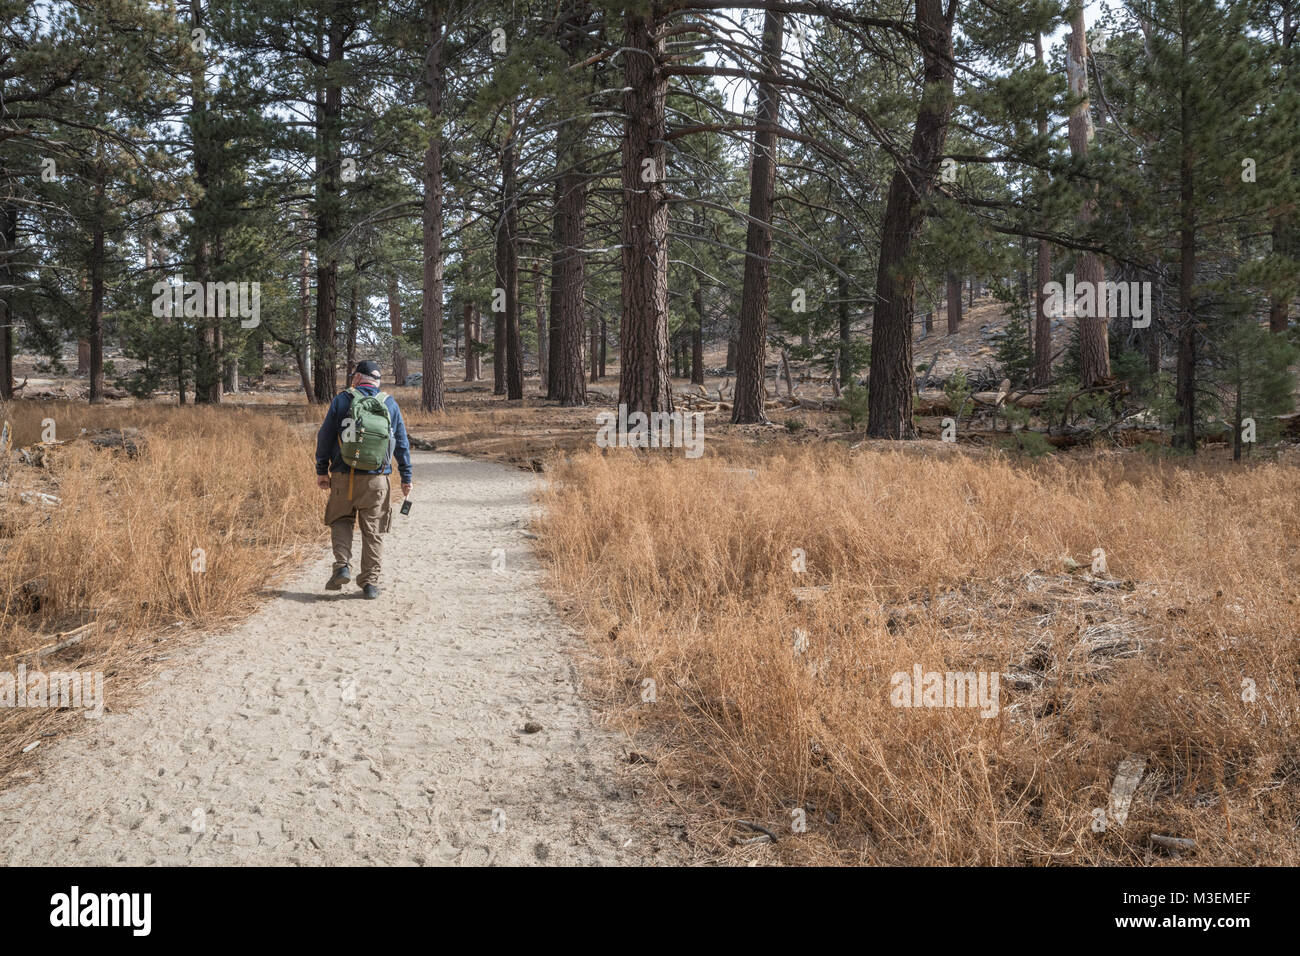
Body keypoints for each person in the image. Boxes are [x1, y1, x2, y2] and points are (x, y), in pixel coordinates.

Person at [314, 360, 412, 598]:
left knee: (340, 520)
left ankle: (342, 566)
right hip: (376, 479)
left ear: (357, 378)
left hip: (342, 475)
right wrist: (406, 475)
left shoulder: (342, 400)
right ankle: (369, 583)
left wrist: (321, 470)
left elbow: (325, 436)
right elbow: (400, 441)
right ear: (377, 381)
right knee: (373, 530)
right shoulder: (389, 403)